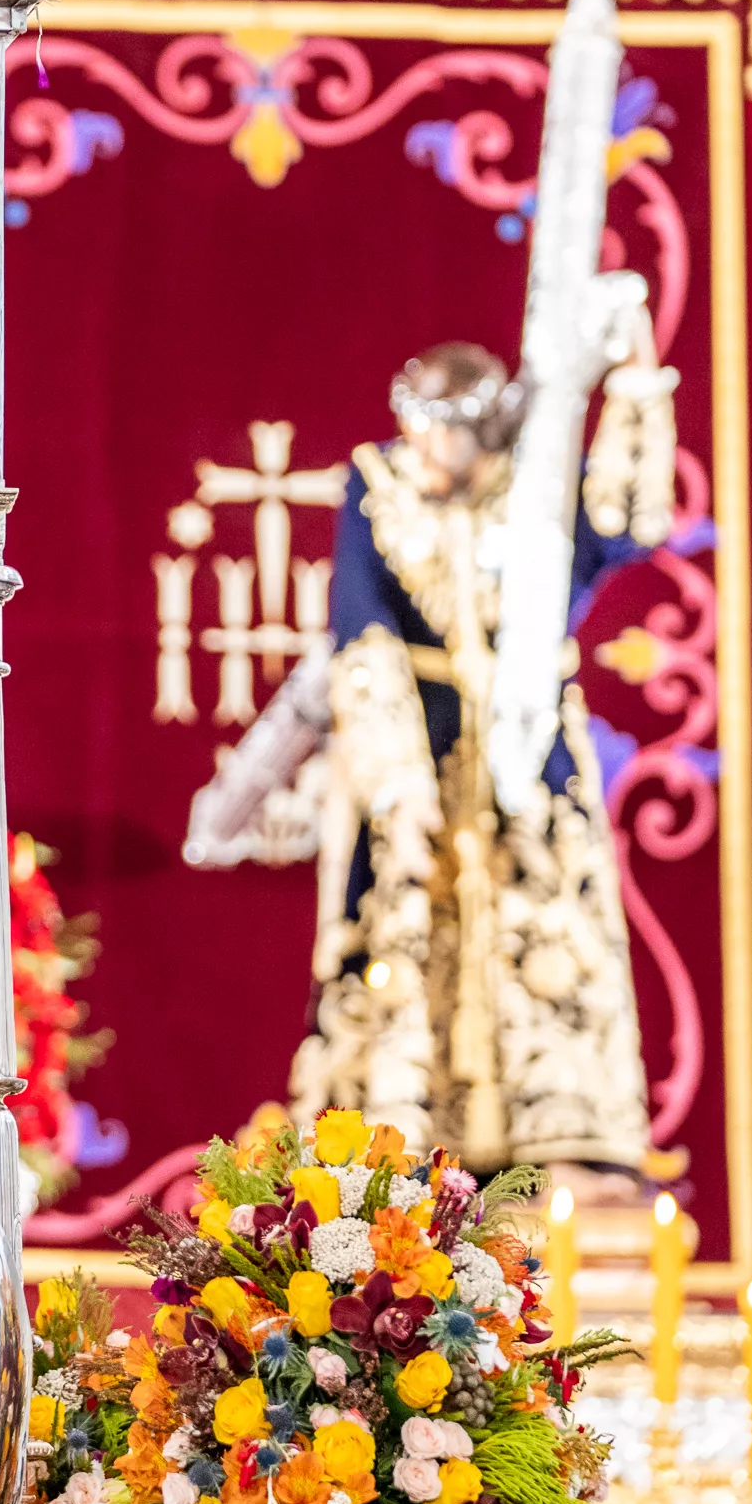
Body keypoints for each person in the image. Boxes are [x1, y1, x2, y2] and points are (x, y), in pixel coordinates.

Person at [287, 340, 652, 1190]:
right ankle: (398, 1141)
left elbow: (627, 524)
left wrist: (633, 389)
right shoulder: (376, 487)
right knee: (403, 932)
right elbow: (362, 630)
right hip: (418, 745)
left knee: (550, 929)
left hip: (529, 753)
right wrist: (399, 785)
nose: (420, 449)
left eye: (438, 434)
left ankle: (560, 1140)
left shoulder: (541, 485)